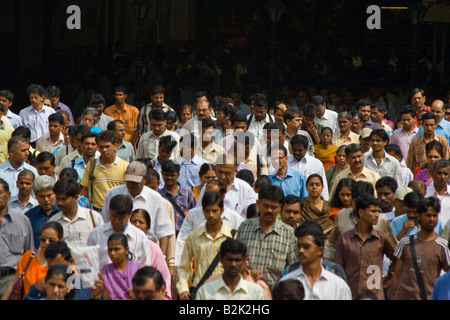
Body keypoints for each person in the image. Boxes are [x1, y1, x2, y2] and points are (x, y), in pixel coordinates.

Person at [100, 161, 174, 257]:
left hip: (146, 249)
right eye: (129, 180)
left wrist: (161, 257)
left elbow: (164, 232)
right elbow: (104, 223)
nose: (132, 184)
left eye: (135, 181)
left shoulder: (155, 198)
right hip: (116, 248)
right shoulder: (112, 194)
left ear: (144, 179)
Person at [334, 193, 397, 300]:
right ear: (361, 212)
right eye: (373, 211)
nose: (377, 215)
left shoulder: (382, 238)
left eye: (378, 211)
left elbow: (398, 261)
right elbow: (338, 270)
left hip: (375, 295)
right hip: (350, 295)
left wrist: (385, 284)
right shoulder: (345, 239)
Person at [177, 192, 237, 300]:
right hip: (200, 292)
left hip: (226, 293)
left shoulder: (233, 236)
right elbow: (183, 266)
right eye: (207, 211)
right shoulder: (193, 236)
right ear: (203, 211)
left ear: (222, 210)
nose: (211, 215)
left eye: (214, 211)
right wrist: (183, 289)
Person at [237, 185, 298, 288]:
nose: (269, 210)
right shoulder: (244, 227)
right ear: (258, 203)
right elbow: (236, 260)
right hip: (246, 291)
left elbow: (294, 267)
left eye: (274, 207)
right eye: (266, 206)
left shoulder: (288, 233)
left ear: (280, 207)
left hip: (275, 293)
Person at [390, 197, 450, 300]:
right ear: (419, 215)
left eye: (434, 216)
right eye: (428, 215)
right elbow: (397, 276)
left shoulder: (442, 245)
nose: (432, 219)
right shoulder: (405, 243)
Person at [175, 179, 244, 267]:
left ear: (222, 196)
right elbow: (182, 241)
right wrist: (178, 266)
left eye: (213, 194)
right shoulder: (193, 215)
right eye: (206, 193)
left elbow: (240, 245)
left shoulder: (234, 218)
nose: (208, 197)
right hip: (200, 272)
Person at [323, 181, 398, 261]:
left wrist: (392, 271)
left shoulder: (381, 220)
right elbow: (331, 243)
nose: (358, 205)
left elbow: (395, 249)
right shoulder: (342, 215)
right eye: (356, 201)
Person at [277, 220, 352, 300]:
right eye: (299, 246)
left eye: (306, 246)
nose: (301, 250)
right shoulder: (286, 281)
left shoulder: (338, 286)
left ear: (320, 250)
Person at [1, 221, 63, 300]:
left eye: (51, 240)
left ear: (60, 240)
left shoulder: (64, 261)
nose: (46, 243)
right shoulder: (28, 257)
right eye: (43, 239)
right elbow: (12, 286)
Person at [86, 194, 151, 268]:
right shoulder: (96, 234)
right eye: (113, 216)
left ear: (130, 214)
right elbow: (88, 262)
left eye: (121, 218)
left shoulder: (140, 237)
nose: (116, 221)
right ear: (109, 211)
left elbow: (145, 267)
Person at [195, 238, 267, 300]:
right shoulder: (205, 291)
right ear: (221, 259)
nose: (233, 264)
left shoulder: (256, 292)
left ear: (245, 261)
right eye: (229, 260)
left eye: (237, 260)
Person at [0, 178, 35, 296]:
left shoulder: (22, 221)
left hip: (12, 279)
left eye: (0, 193)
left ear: (8, 195)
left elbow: (29, 254)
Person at [196, 153, 258, 219]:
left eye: (227, 173)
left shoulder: (245, 189)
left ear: (235, 171)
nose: (223, 177)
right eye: (220, 172)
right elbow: (199, 212)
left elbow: (253, 216)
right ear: (215, 168)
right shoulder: (208, 187)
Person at [80, 130, 129, 211]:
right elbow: (85, 189)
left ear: (115, 146)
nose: (104, 150)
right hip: (96, 211)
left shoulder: (125, 166)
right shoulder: (91, 165)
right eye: (101, 147)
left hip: (117, 211)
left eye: (107, 146)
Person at [130, 208, 172, 298]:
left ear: (148, 227)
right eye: (134, 221)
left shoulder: (153, 248)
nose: (137, 225)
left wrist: (164, 295)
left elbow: (165, 275)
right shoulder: (124, 244)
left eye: (141, 222)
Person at [49, 178, 104, 244]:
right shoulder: (54, 222)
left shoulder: (94, 218)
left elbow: (103, 244)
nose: (59, 203)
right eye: (57, 199)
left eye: (64, 199)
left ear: (75, 197)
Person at [100, 233, 144, 300]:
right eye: (110, 250)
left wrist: (140, 296)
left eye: (116, 249)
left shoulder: (141, 270)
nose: (112, 253)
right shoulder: (104, 272)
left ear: (126, 250)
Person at [159, 160, 197, 233]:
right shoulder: (158, 195)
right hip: (166, 236)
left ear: (178, 175)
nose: (169, 177)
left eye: (172, 175)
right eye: (166, 175)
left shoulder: (188, 194)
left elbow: (195, 216)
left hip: (184, 236)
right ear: (162, 174)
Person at [288, 134, 329, 200]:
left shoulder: (316, 163)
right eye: (294, 150)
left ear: (306, 149)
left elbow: (323, 186)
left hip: (311, 202)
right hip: (290, 202)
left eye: (300, 150)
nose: (297, 152)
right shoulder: (286, 163)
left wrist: (324, 203)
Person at [25, 175, 59, 247]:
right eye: (42, 196)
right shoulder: (29, 217)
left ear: (55, 194)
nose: (46, 200)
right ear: (36, 196)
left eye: (49, 195)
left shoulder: (62, 213)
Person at [425, 159, 450, 227]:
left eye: (446, 174)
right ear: (432, 173)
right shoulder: (425, 194)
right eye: (439, 173)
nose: (442, 177)